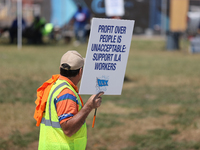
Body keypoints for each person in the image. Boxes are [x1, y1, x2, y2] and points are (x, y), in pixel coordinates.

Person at [34, 50, 104, 150]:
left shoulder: (55, 85)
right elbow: (68, 129)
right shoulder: (66, 93)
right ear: (80, 71)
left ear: (60, 68)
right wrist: (89, 106)